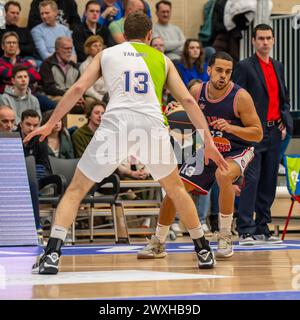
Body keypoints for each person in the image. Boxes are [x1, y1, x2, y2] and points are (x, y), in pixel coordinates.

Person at [24, 11, 227, 275]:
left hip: (117, 124)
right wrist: (208, 141)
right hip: (150, 125)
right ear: (150, 35)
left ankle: (52, 254)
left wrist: (51, 123)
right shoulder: (162, 59)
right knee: (176, 189)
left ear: (123, 34)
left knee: (76, 190)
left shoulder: (107, 54)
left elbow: (76, 90)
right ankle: (202, 249)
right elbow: (189, 101)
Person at [137, 51, 263, 260]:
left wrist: (232, 128)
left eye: (228, 72)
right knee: (174, 189)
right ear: (209, 70)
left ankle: (224, 236)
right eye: (219, 70)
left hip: (236, 149)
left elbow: (257, 133)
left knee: (223, 175)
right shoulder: (196, 91)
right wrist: (174, 110)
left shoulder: (241, 97)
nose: (223, 75)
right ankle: (158, 242)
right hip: (206, 148)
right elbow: (184, 113)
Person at [232, 24, 294, 245]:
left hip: (275, 131)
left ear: (274, 40)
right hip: (254, 132)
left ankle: (262, 228)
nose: (265, 42)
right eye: (260, 38)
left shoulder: (277, 65)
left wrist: (284, 121)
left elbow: (283, 97)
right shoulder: (245, 66)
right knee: (251, 179)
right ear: (253, 41)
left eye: (268, 38)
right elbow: (236, 98)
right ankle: (245, 229)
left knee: (268, 180)